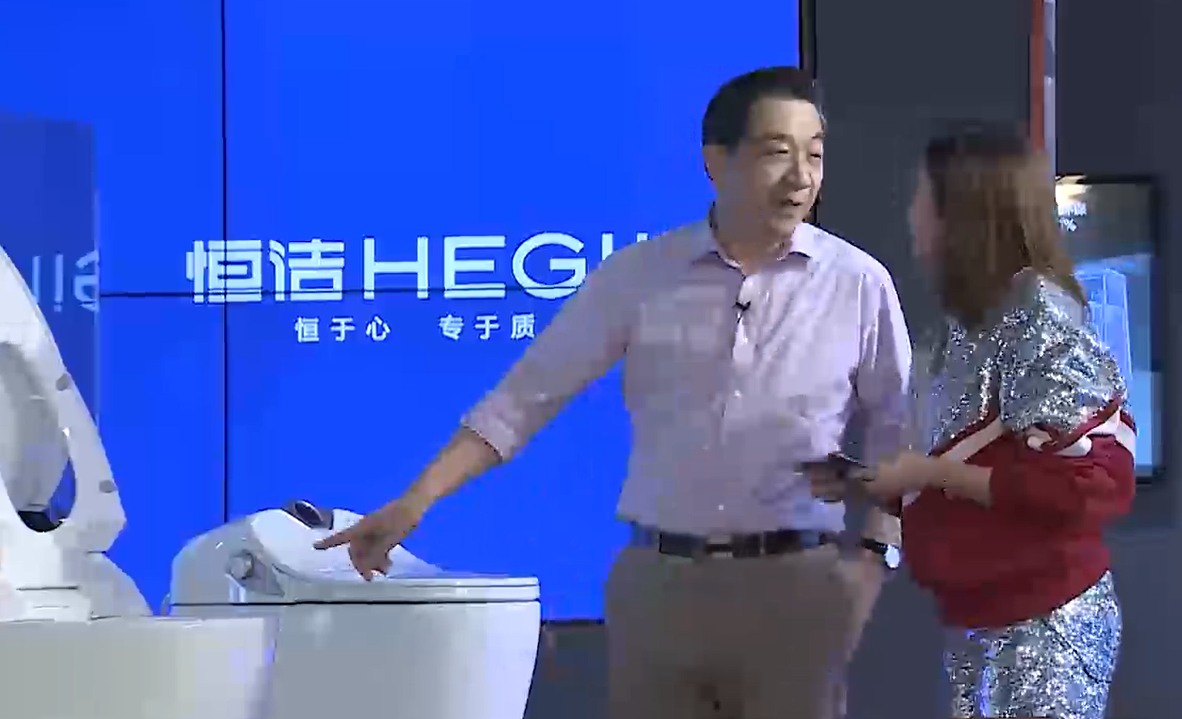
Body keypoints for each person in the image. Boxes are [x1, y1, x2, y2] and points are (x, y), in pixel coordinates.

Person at [315, 66, 913, 719]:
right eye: (777, 152)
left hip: (799, 586)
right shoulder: (640, 275)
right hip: (661, 585)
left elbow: (898, 430)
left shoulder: (858, 282)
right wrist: (418, 498)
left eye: (815, 155)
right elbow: (523, 400)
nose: (800, 177)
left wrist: (872, 560)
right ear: (715, 161)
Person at [818, 124, 1134, 719]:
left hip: (1044, 629)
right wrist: (874, 481)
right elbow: (965, 457)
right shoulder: (959, 329)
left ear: (965, 215)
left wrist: (932, 474)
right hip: (977, 625)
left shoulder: (1038, 318)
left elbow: (1091, 482)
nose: (912, 216)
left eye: (924, 199)